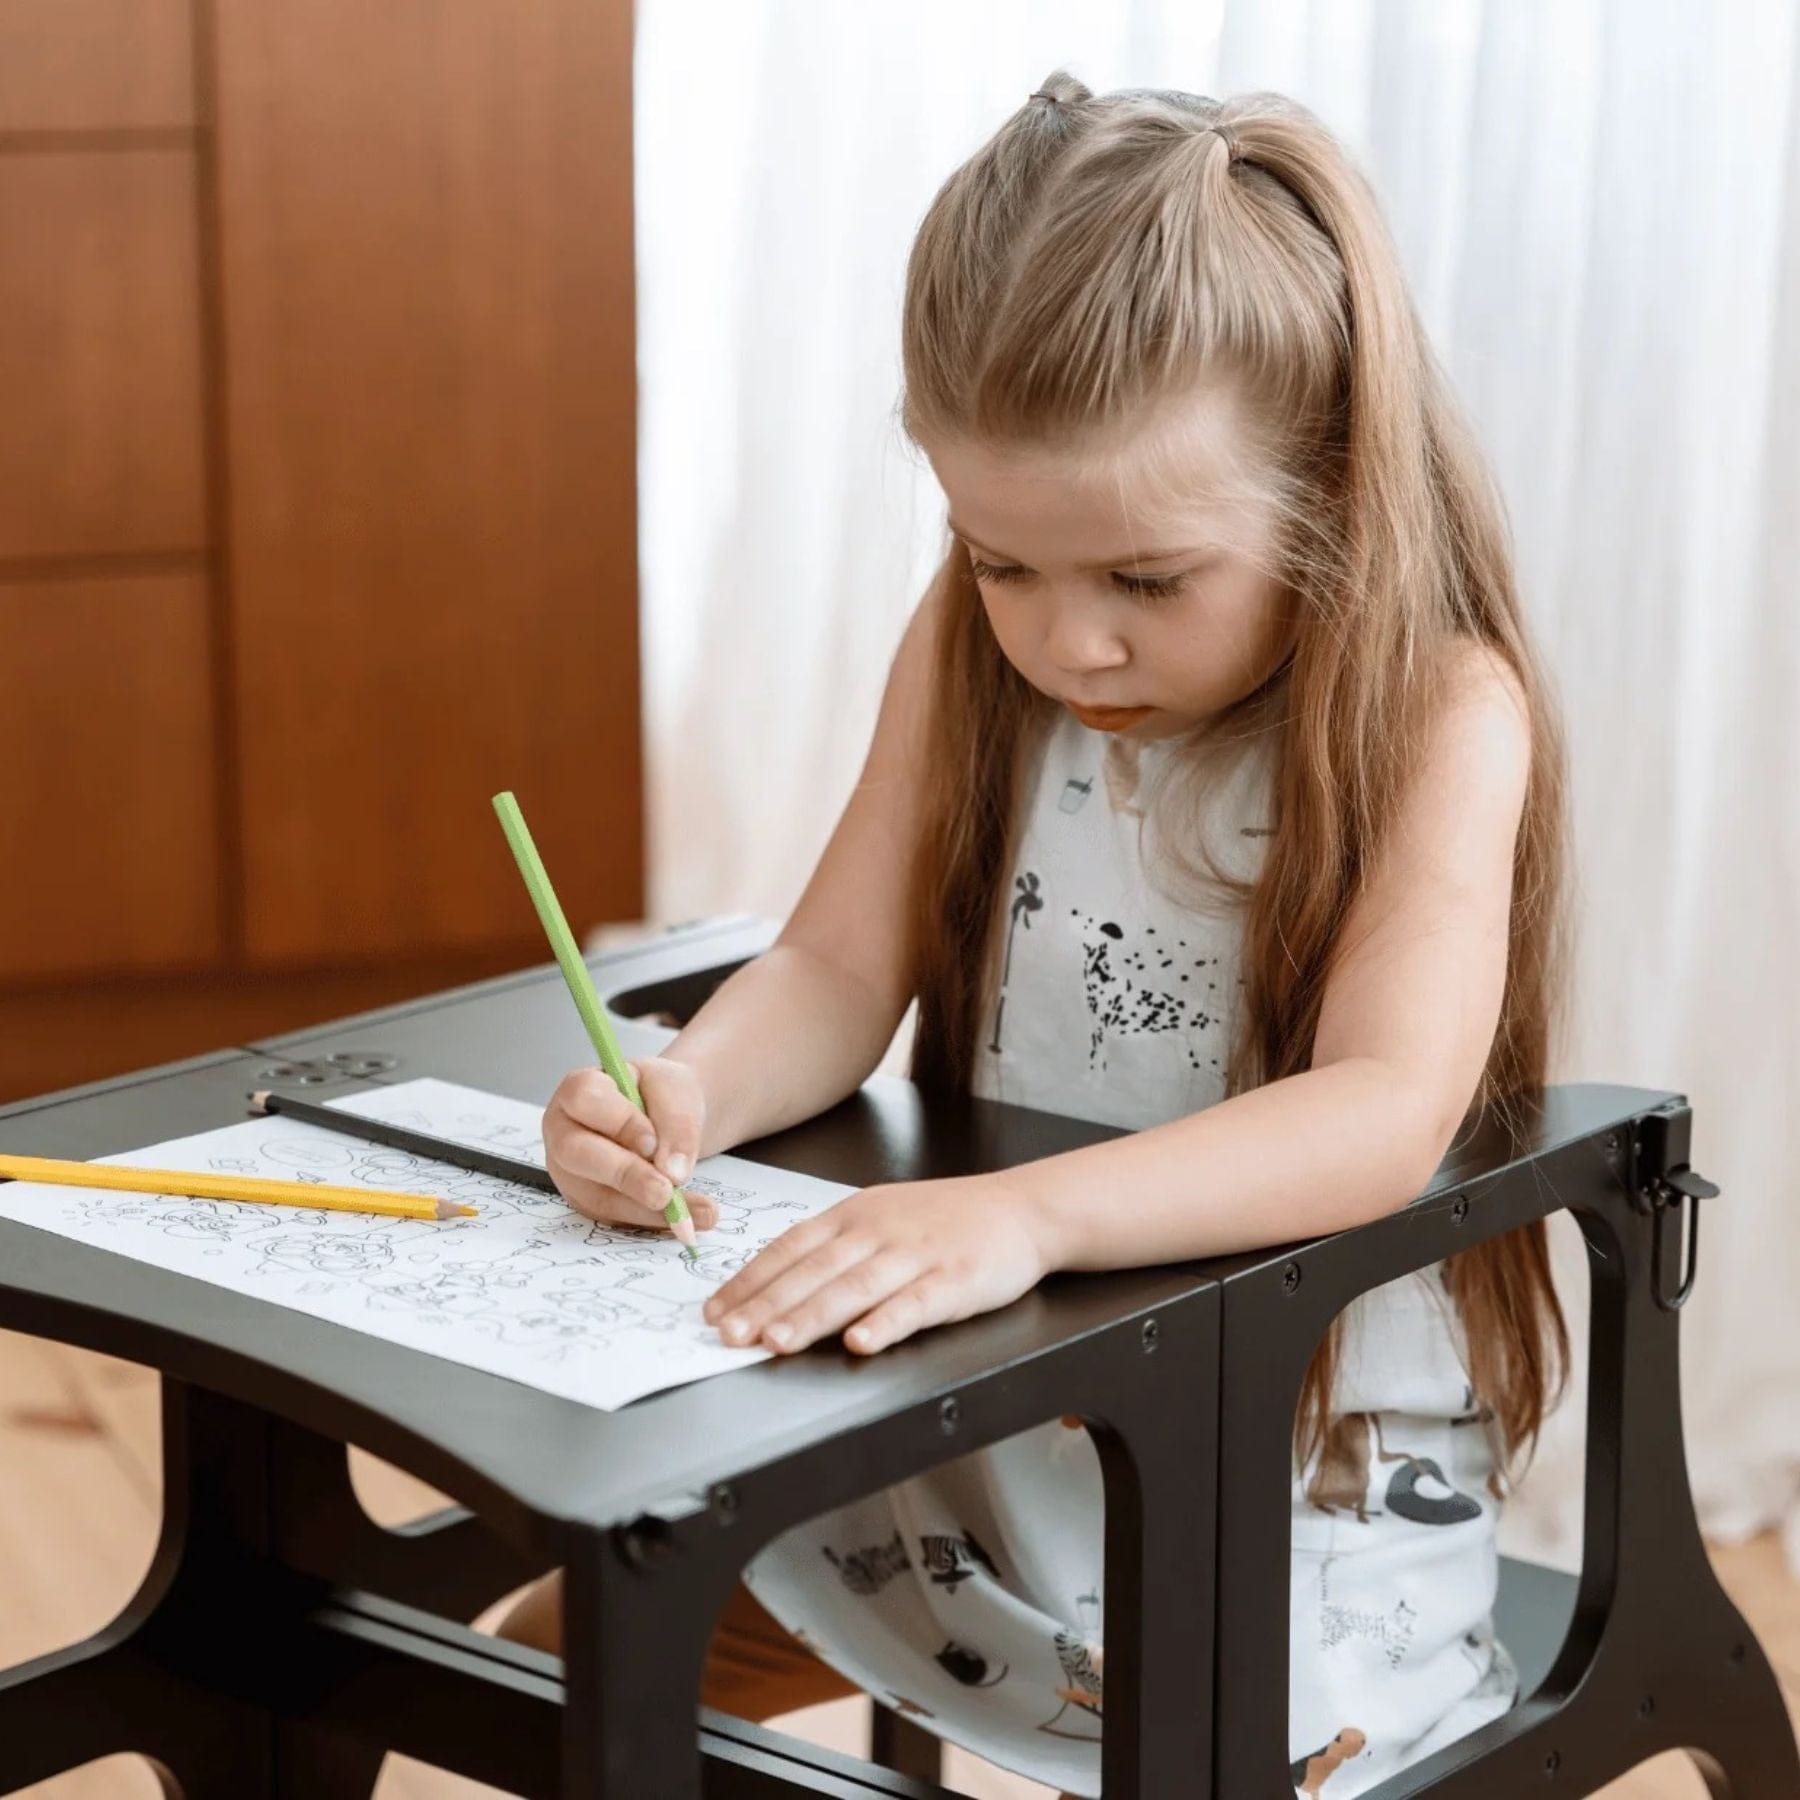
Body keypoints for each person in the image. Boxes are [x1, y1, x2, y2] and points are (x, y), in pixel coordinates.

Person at [499, 71, 1573, 1800]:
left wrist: (1028, 1217)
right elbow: (836, 972)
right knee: (557, 1672)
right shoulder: (971, 656)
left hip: (1277, 1487)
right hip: (959, 1438)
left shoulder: (1441, 704)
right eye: (1001, 562)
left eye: (1149, 582)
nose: (1069, 644)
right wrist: (682, 1092)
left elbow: (1387, 1102)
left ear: (1331, 492)